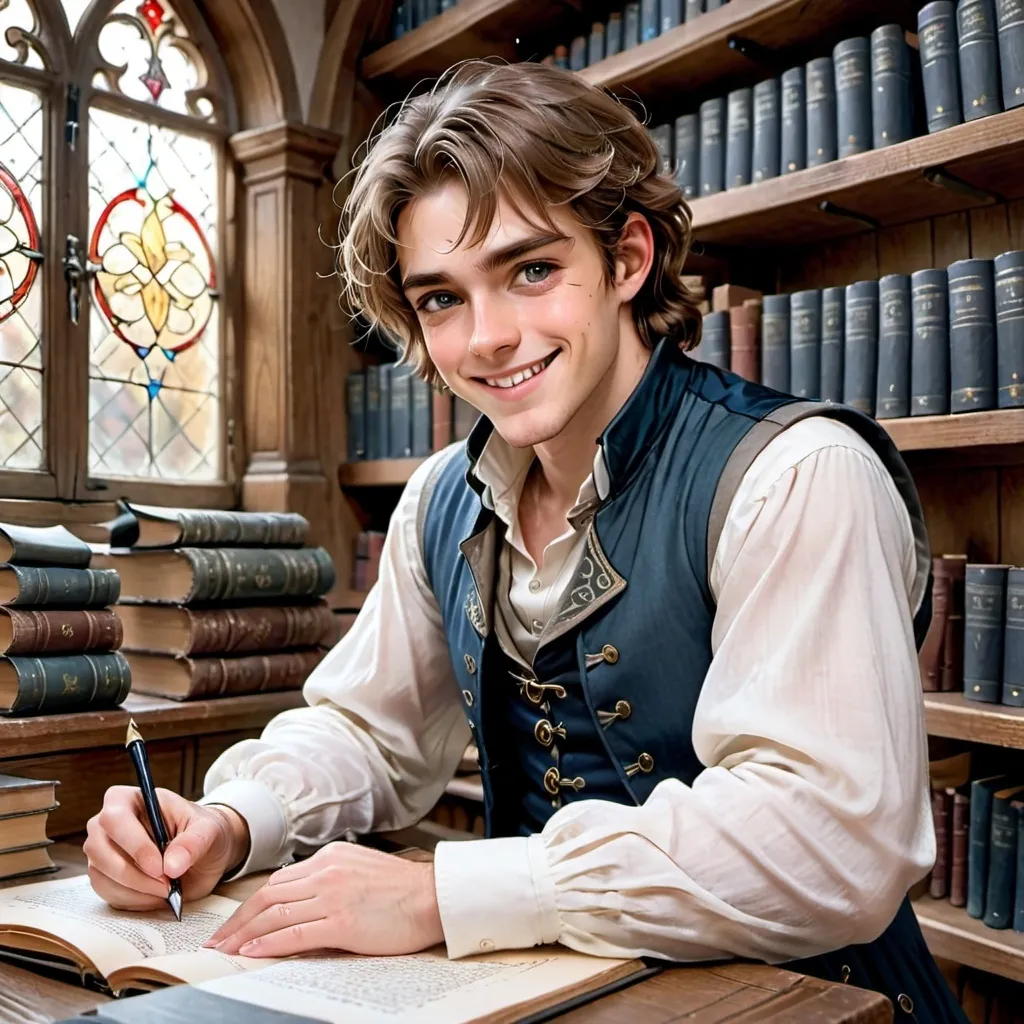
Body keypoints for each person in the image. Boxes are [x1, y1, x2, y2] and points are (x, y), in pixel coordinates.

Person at [85, 60, 965, 1020]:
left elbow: (829, 838)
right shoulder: (439, 501)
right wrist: (230, 820)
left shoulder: (795, 475)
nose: (489, 338)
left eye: (531, 270)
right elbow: (368, 732)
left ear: (627, 260)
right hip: (541, 997)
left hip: (813, 1004)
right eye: (441, 299)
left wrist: (442, 894)